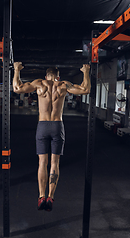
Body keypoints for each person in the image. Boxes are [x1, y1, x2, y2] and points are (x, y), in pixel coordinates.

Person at [13, 62, 91, 211]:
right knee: (55, 163)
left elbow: (17, 88)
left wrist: (17, 70)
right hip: (57, 126)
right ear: (58, 76)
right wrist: (86, 72)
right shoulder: (63, 85)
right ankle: (51, 196)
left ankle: (41, 196)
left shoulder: (39, 83)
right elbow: (85, 89)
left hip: (42, 126)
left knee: (42, 162)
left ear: (46, 76)